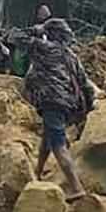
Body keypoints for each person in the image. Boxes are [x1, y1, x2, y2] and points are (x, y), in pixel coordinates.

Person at [24, 18, 92, 200]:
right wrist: (89, 107)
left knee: (58, 145)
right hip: (67, 103)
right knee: (48, 138)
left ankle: (76, 187)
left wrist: (37, 30)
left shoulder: (44, 49)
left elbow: (19, 38)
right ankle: (37, 173)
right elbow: (86, 84)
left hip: (51, 101)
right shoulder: (71, 56)